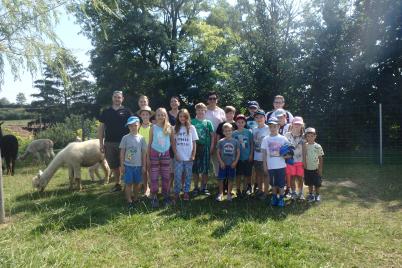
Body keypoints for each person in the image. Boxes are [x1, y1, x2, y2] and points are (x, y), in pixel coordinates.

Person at [98, 90, 133, 192]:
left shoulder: (127, 111)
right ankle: (117, 184)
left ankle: (128, 184)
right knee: (114, 165)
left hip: (125, 143)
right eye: (115, 97)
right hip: (109, 143)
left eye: (119, 97)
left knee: (127, 164)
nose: (117, 99)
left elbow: (134, 125)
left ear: (122, 99)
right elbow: (101, 128)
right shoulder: (106, 111)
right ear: (112, 98)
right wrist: (101, 143)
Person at [148, 108, 174, 207]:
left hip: (166, 154)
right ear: (156, 116)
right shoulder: (153, 128)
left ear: (165, 116)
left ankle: (165, 195)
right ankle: (154, 195)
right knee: (154, 176)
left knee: (166, 176)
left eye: (162, 114)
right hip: (154, 153)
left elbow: (172, 142)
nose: (160, 116)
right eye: (158, 114)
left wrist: (175, 153)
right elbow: (150, 143)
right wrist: (148, 157)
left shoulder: (169, 127)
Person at [119, 116, 147, 209]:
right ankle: (129, 200)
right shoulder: (125, 138)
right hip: (128, 165)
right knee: (128, 183)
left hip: (138, 166)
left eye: (134, 125)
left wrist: (143, 166)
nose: (133, 127)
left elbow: (143, 153)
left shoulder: (142, 138)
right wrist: (122, 164)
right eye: (130, 126)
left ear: (139, 125)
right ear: (128, 126)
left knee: (137, 183)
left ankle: (135, 198)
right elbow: (122, 152)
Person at [261, 117, 289, 207]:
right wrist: (265, 165)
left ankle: (281, 198)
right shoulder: (266, 139)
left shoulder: (283, 138)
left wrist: (286, 155)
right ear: (269, 127)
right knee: (273, 184)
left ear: (278, 126)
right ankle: (274, 197)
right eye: (271, 127)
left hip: (281, 166)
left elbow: (290, 152)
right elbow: (264, 154)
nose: (273, 129)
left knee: (281, 184)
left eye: (275, 126)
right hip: (271, 166)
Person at [172, 109, 198, 201]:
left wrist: (193, 155)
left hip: (189, 158)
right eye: (180, 116)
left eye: (184, 116)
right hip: (178, 157)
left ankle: (186, 192)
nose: (182, 118)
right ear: (178, 117)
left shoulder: (192, 128)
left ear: (187, 117)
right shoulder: (174, 128)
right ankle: (176, 192)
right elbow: (173, 143)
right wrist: (176, 154)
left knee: (188, 176)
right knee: (177, 176)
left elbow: (194, 143)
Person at [191, 102, 214, 196]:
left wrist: (212, 146)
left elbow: (213, 135)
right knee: (195, 169)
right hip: (195, 148)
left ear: (205, 111)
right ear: (196, 111)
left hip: (206, 148)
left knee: (205, 169)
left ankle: (204, 187)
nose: (200, 112)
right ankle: (196, 188)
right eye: (198, 110)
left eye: (202, 110)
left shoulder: (208, 122)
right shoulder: (192, 122)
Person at [216, 105, 238, 194]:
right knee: (223, 167)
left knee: (231, 170)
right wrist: (218, 147)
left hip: (233, 152)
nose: (229, 115)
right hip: (223, 151)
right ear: (225, 114)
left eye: (231, 113)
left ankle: (229, 189)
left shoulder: (236, 124)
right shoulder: (221, 124)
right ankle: (222, 189)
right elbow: (218, 136)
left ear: (234, 114)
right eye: (227, 113)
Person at [216, 123, 240, 201]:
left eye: (229, 131)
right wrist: (221, 162)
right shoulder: (220, 141)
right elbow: (218, 152)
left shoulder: (235, 142)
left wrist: (235, 162)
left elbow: (238, 152)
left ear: (232, 131)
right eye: (226, 131)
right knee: (221, 179)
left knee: (231, 179)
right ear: (223, 132)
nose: (228, 132)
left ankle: (229, 194)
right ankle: (220, 193)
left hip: (232, 164)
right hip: (223, 164)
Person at [205, 91, 226, 178]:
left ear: (217, 100)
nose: (212, 100)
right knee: (205, 162)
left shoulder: (221, 111)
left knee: (218, 160)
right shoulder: (203, 110)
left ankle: (219, 182)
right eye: (210, 98)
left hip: (218, 139)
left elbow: (225, 125)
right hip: (206, 139)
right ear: (207, 100)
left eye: (214, 98)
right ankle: (203, 185)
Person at [284, 117, 305, 199]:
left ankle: (300, 193)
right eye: (295, 123)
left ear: (302, 125)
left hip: (300, 161)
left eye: (299, 124)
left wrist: (305, 162)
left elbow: (305, 150)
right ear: (292, 124)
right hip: (290, 161)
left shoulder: (304, 136)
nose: (297, 125)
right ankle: (293, 193)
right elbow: (284, 147)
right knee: (292, 177)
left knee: (300, 177)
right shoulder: (287, 135)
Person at [233, 114, 254, 197]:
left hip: (247, 157)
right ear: (236, 123)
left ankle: (245, 190)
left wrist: (251, 154)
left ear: (245, 123)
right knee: (238, 175)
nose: (240, 124)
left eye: (242, 122)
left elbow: (251, 144)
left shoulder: (248, 132)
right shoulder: (234, 133)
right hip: (238, 158)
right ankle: (238, 190)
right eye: (238, 122)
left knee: (246, 175)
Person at [252, 109, 270, 198]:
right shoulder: (254, 129)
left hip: (266, 157)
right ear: (254, 119)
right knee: (258, 174)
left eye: (261, 117)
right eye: (257, 117)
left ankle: (266, 192)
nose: (259, 119)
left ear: (265, 118)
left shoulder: (268, 128)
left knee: (266, 174)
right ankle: (260, 190)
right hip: (256, 155)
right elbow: (253, 143)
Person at [303, 127, 324, 202]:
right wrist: (304, 165)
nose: (310, 138)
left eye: (312, 136)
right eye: (308, 136)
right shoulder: (305, 146)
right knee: (310, 183)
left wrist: (320, 169)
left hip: (316, 169)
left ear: (315, 136)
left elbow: (320, 158)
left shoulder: (318, 146)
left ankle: (317, 195)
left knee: (317, 183)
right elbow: (304, 156)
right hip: (307, 169)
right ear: (306, 137)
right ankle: (311, 195)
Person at [138, 105, 154, 196]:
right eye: (143, 114)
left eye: (147, 114)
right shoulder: (138, 127)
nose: (145, 116)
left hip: (151, 152)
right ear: (141, 116)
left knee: (151, 170)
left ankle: (152, 187)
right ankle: (146, 187)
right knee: (143, 170)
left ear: (150, 115)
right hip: (141, 152)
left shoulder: (153, 126)